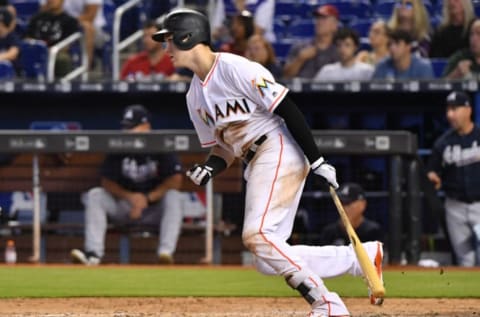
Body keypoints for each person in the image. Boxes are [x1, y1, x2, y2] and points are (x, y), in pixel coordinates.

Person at [152, 8, 384, 315]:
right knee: (266, 256)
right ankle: (360, 258)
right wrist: (209, 168)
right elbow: (223, 150)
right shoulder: (194, 96)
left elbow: (286, 107)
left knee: (257, 235)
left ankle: (327, 303)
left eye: (169, 40)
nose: (165, 49)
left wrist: (317, 160)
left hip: (276, 149)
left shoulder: (235, 67)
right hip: (254, 159)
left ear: (187, 36)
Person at [71, 104, 184, 265]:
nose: (128, 131)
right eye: (126, 127)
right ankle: (93, 254)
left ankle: (165, 253)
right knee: (95, 195)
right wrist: (131, 198)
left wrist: (147, 198)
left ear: (146, 126)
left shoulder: (161, 143)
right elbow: (106, 181)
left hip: (154, 209)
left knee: (174, 198)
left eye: (133, 127)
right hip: (124, 208)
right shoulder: (119, 144)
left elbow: (175, 180)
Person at [427, 91, 480, 267]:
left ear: (468, 110)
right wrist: (433, 177)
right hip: (455, 207)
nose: (450, 114)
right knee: (465, 260)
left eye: (455, 109)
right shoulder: (443, 143)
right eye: (448, 110)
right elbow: (432, 171)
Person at [283, 4, 339, 79]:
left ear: (334, 25)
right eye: (318, 18)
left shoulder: (339, 51)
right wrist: (300, 59)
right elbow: (286, 76)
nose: (319, 22)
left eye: (324, 18)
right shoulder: (300, 47)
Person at [25, 0, 80, 77]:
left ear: (62, 1)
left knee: (62, 59)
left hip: (57, 52)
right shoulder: (36, 18)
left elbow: (69, 44)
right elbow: (28, 38)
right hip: (36, 51)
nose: (51, 1)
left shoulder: (70, 21)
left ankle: (61, 85)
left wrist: (51, 51)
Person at [318, 183, 383, 246]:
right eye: (341, 203)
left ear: (362, 204)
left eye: (348, 203)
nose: (344, 207)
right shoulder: (329, 233)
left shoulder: (372, 231)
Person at [211, 0, 275, 44]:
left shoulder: (265, 1)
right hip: (230, 45)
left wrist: (241, 8)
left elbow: (258, 31)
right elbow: (216, 32)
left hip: (257, 45)